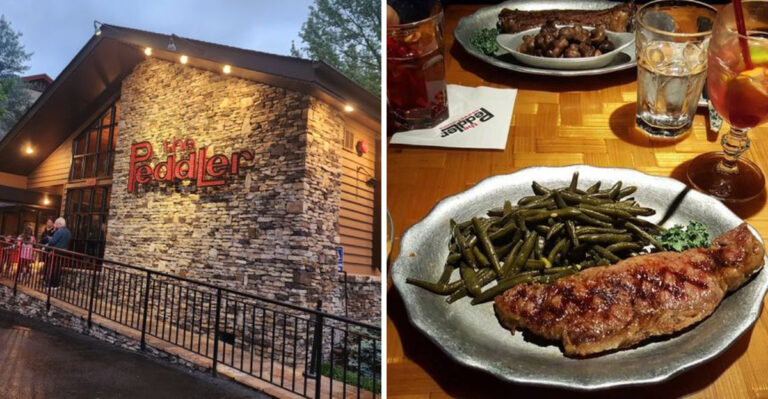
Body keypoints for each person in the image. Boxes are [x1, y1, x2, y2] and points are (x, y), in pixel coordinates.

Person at [46, 218, 71, 288]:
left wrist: (50, 240)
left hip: (56, 252)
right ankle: (56, 284)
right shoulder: (68, 232)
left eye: (56, 224)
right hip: (63, 253)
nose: (55, 225)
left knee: (52, 268)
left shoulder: (59, 231)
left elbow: (52, 242)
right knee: (58, 268)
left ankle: (51, 285)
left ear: (60, 224)